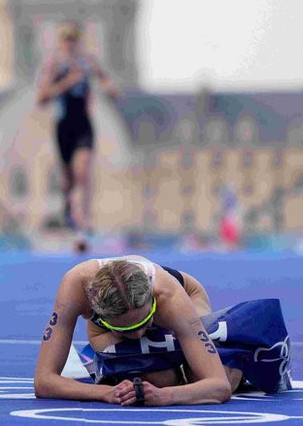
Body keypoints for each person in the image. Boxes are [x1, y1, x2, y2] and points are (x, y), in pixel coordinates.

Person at [34, 255, 241, 405]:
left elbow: (219, 386)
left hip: (185, 299)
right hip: (105, 332)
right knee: (158, 379)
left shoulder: (170, 299)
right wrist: (104, 393)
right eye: (126, 330)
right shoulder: (75, 287)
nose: (138, 334)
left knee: (217, 377)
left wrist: (165, 396)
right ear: (99, 314)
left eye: (144, 323)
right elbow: (44, 382)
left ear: (152, 303)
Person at [35, 23, 118, 251]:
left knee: (83, 173)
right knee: (68, 181)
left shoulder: (87, 63)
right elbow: (41, 97)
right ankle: (70, 213)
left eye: (74, 39)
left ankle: (86, 220)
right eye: (66, 39)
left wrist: (109, 88)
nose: (70, 44)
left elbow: (106, 82)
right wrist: (65, 83)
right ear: (60, 43)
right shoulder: (54, 66)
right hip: (64, 126)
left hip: (83, 125)